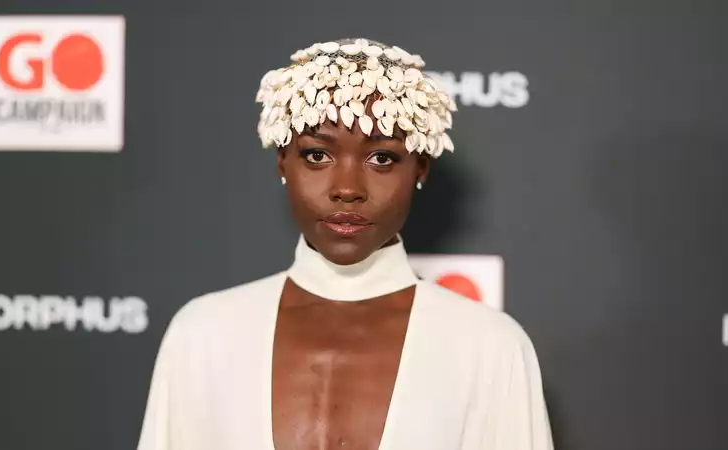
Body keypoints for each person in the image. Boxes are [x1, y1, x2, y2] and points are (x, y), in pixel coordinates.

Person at [137, 38, 554, 449]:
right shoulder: (203, 333)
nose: (347, 189)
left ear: (420, 168)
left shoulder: (490, 347)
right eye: (318, 155)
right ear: (283, 161)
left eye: (382, 158)